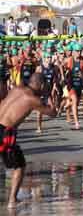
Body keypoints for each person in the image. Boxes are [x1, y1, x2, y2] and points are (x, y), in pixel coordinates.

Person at [0, 73, 57, 208]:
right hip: (4, 132)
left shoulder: (16, 89)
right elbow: (53, 113)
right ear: (41, 85)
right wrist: (50, 98)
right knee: (19, 166)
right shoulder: (33, 100)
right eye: (44, 87)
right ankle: (12, 201)